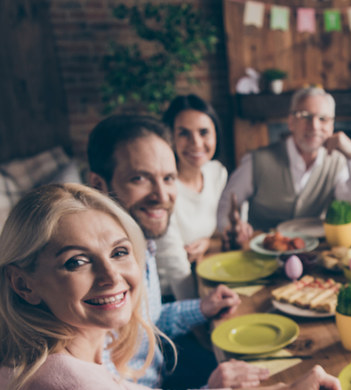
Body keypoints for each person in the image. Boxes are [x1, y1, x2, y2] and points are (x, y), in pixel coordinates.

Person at [0, 183, 340, 390]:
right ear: (23, 284)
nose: (111, 277)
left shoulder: (60, 351)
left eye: (119, 252)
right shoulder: (66, 380)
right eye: (76, 261)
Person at [86, 115, 244, 387]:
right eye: (139, 178)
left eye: (169, 178)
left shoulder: (142, 243)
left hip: (161, 373)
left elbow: (147, 323)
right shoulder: (95, 276)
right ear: (99, 186)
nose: (161, 195)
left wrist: (202, 307)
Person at [217, 86, 351, 239]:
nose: (315, 126)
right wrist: (233, 227)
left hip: (314, 251)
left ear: (331, 125)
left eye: (323, 119)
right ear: (291, 122)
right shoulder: (256, 160)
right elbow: (226, 205)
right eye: (305, 116)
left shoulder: (339, 163)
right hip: (263, 253)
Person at [161, 94, 228, 265]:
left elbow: (225, 236)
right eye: (184, 133)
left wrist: (208, 244)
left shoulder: (217, 173)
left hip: (208, 267)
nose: (196, 143)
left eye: (203, 132)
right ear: (171, 138)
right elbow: (174, 262)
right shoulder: (163, 188)